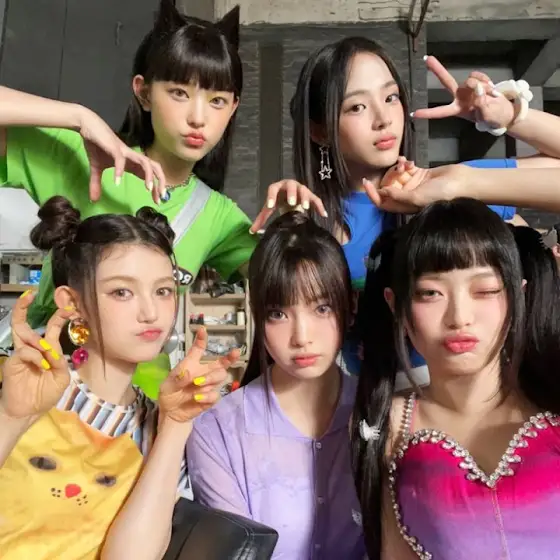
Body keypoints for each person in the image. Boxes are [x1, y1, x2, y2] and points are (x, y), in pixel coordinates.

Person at [251, 38, 560, 377]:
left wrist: (507, 117)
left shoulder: (446, 187)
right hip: (369, 402)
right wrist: (287, 228)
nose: (383, 119)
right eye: (357, 107)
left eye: (391, 97)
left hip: (471, 391)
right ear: (319, 131)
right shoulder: (316, 224)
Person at [0, 0, 254, 397]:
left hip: (141, 405)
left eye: (217, 100)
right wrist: (79, 117)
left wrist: (294, 219)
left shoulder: (220, 217)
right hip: (43, 386)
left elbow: (299, 285)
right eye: (179, 92)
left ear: (233, 107)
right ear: (144, 92)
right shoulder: (81, 156)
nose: (198, 117)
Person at [0, 196, 235, 559]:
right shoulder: (27, 390)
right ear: (71, 302)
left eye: (163, 291)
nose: (151, 312)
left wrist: (175, 427)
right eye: (122, 291)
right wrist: (11, 417)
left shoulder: (163, 425)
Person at [351, 197, 560, 559]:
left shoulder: (553, 401)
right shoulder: (385, 424)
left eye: (485, 290)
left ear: (518, 296)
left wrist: (465, 181)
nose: (460, 317)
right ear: (395, 305)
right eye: (431, 293)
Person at [187, 212, 366, 560]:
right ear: (257, 315)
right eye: (278, 314)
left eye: (322, 308)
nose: (301, 337)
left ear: (350, 306)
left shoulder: (382, 415)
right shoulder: (217, 430)